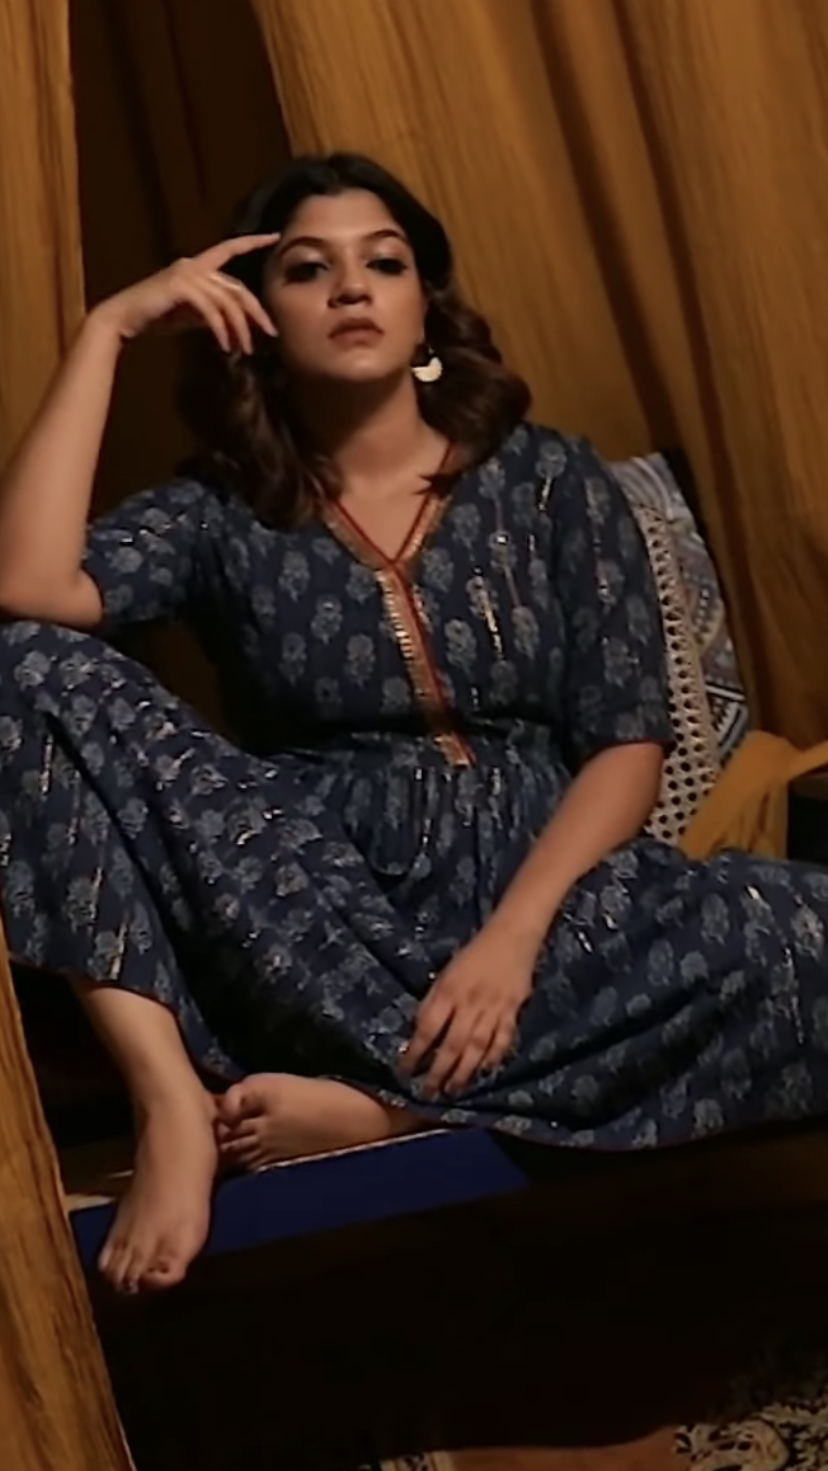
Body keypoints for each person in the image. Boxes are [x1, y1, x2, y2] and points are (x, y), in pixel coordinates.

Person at [0, 153, 826, 1298]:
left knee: (798, 932)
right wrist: (109, 328)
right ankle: (171, 1100)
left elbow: (628, 745)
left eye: (383, 263)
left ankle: (389, 1103)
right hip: (316, 900)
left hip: (550, 901)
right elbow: (30, 586)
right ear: (255, 318)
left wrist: (509, 943)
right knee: (21, 665)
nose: (351, 288)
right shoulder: (221, 510)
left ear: (424, 306)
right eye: (307, 269)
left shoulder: (549, 481)